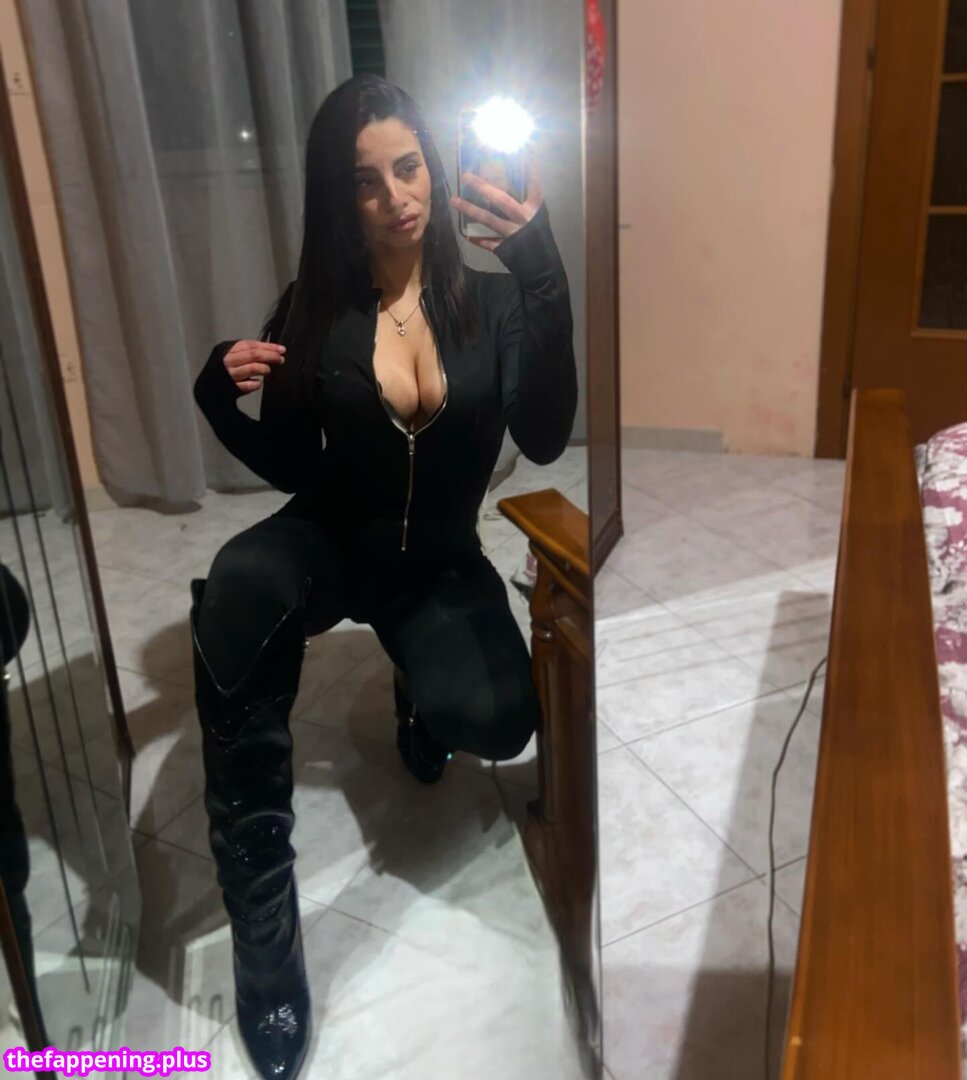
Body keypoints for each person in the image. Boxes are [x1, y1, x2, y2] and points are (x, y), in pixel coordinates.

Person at [190, 74, 575, 1080]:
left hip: (435, 563)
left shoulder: (494, 302)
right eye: (365, 181)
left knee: (499, 719)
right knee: (240, 582)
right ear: (341, 197)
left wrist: (541, 269)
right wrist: (217, 398)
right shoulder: (314, 307)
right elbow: (291, 464)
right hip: (333, 540)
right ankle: (264, 942)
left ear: (433, 170)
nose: (395, 197)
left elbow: (544, 436)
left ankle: (416, 686)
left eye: (408, 168)